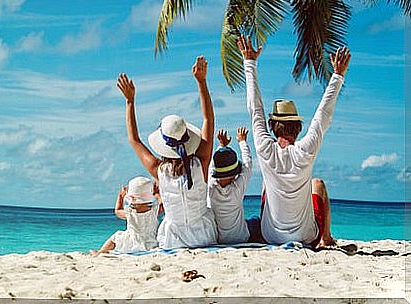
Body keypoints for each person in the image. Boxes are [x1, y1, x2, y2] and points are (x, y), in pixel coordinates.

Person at [237, 35, 351, 248]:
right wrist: (337, 75)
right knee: (318, 184)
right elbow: (322, 116)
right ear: (298, 128)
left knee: (265, 184)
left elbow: (255, 109)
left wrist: (249, 62)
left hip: (270, 236)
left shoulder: (264, 147)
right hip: (306, 236)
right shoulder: (305, 150)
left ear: (272, 126)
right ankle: (325, 237)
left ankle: (271, 232)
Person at [116, 56, 217, 249]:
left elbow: (134, 140)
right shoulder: (201, 163)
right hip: (204, 236)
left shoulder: (159, 171)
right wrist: (201, 82)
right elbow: (208, 119)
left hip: (172, 240)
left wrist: (130, 102)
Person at [89, 177, 161, 256]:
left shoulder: (130, 213)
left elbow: (117, 210)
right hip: (152, 242)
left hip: (132, 242)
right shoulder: (155, 210)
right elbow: (163, 204)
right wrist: (157, 194)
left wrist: (120, 196)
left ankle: (101, 252)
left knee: (116, 236)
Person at [208, 127, 252, 244]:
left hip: (219, 239)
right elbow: (248, 164)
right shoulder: (237, 188)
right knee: (255, 221)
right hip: (241, 239)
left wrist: (221, 146)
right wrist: (242, 141)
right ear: (234, 173)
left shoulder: (210, 188)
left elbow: (212, 166)